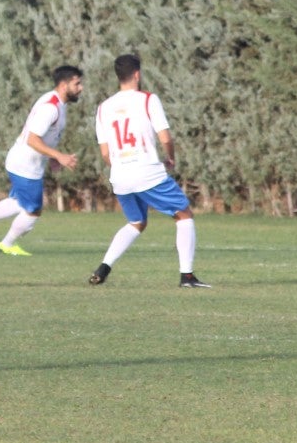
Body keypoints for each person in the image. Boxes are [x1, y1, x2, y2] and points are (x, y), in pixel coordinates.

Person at [88, 53, 210, 288]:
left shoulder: (103, 107)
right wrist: (170, 158)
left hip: (120, 176)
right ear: (137, 74)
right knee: (183, 215)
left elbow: (105, 153)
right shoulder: (148, 100)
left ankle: (104, 267)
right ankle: (187, 276)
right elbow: (165, 137)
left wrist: (123, 166)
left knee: (136, 221)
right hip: (147, 172)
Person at [0, 65, 83, 255]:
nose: (80, 88)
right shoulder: (51, 107)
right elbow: (32, 139)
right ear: (63, 84)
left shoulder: (58, 104)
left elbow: (42, 135)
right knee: (33, 209)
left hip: (24, 162)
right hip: (25, 166)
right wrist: (59, 155)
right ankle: (7, 244)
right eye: (77, 83)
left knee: (19, 203)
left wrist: (52, 157)